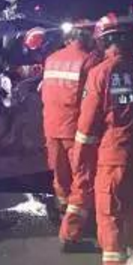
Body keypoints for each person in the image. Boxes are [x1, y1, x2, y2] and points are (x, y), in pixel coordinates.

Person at [72, 13, 133, 265]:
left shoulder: (100, 73)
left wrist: (79, 162)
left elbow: (87, 126)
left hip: (113, 157)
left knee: (110, 215)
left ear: (103, 42)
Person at [41, 20, 102, 250]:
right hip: (75, 130)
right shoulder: (89, 61)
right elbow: (93, 99)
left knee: (60, 176)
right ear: (86, 36)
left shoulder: (51, 58)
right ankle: (73, 231)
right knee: (82, 179)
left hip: (51, 127)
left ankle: (63, 212)